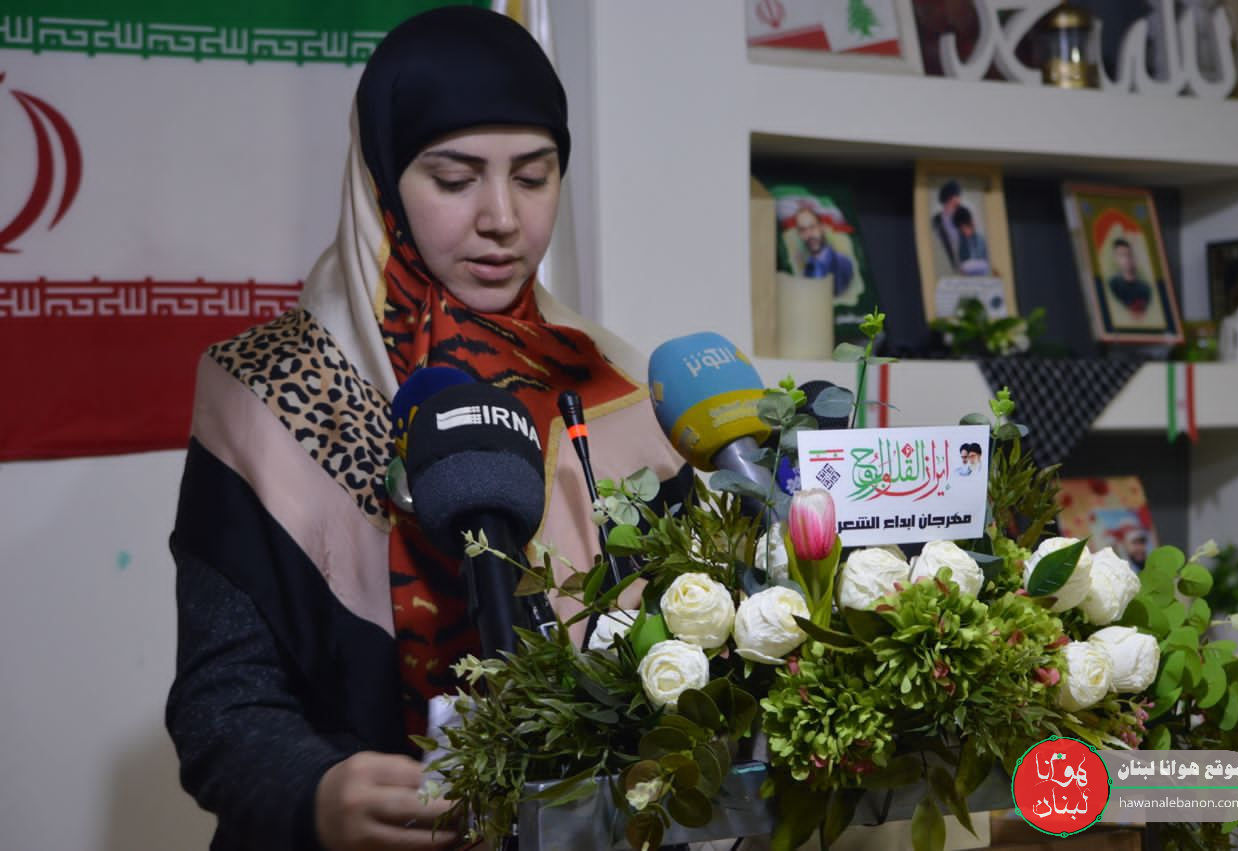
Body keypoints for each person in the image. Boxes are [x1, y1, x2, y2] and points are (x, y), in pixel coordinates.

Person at [165, 8, 688, 850]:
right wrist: (316, 789)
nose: (502, 217)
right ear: (381, 179)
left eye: (534, 176)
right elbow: (219, 704)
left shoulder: (612, 386)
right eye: (453, 179)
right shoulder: (267, 391)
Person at [794, 205, 855, 297]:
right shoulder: (806, 270)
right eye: (803, 230)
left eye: (812, 227)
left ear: (821, 227)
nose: (809, 234)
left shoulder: (843, 262)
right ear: (799, 235)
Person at [1106, 238, 1153, 319]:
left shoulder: (1145, 288)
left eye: (1129, 254)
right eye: (1121, 255)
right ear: (1115, 259)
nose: (1126, 259)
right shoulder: (1112, 284)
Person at [931, 179, 963, 272]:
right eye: (956, 196)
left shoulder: (962, 218)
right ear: (950, 198)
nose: (959, 199)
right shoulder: (936, 220)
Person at [951, 205, 991, 276]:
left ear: (971, 223)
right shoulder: (959, 242)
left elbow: (987, 262)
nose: (965, 231)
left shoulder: (981, 239)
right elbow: (959, 264)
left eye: (966, 227)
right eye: (961, 229)